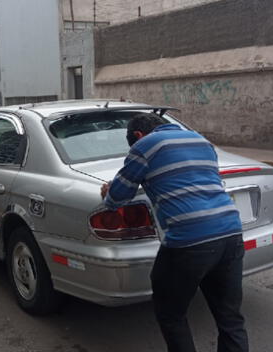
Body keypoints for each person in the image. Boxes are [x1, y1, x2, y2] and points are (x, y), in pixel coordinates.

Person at [101, 113, 248, 352]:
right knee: (230, 318)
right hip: (231, 233)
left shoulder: (145, 145)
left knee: (171, 314)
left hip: (189, 241)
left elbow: (118, 197)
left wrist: (108, 192)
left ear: (137, 136)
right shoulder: (200, 140)